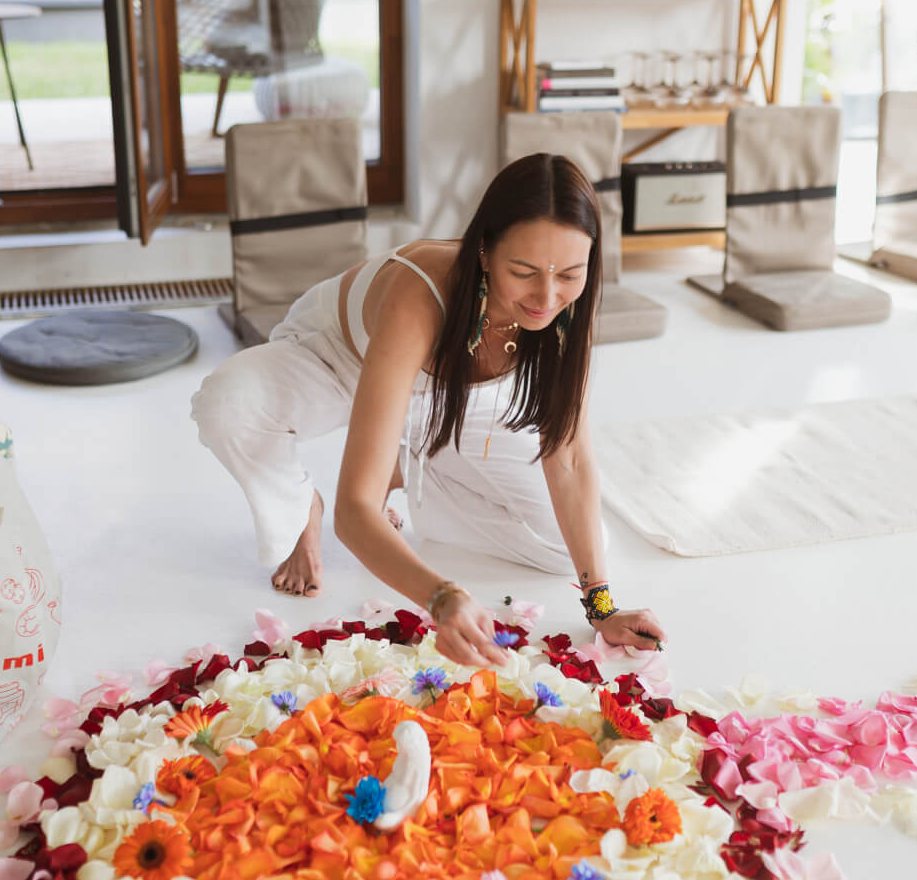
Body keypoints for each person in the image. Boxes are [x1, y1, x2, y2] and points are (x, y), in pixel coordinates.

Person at [191, 153, 665, 668]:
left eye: (570, 273)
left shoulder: (565, 305)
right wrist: (440, 596)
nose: (546, 297)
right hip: (335, 362)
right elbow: (355, 516)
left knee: (565, 546)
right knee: (227, 405)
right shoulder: (418, 295)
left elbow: (568, 458)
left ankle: (404, 464)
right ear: (483, 252)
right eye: (524, 272)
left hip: (455, 400)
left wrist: (601, 606)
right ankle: (300, 504)